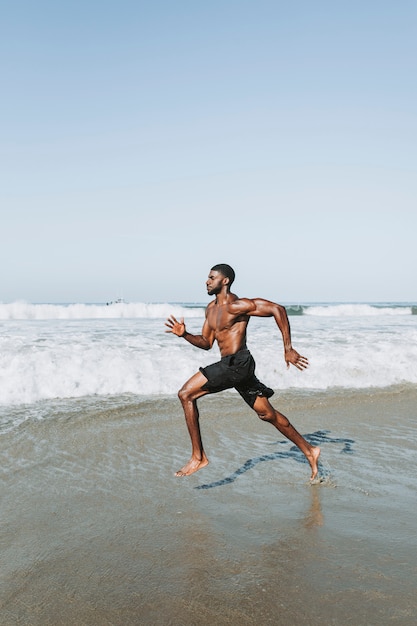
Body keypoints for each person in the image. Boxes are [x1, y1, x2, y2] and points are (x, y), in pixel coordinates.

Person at [165, 264, 320, 480]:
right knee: (267, 414)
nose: (207, 281)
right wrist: (184, 334)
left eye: (211, 277)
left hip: (238, 363)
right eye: (207, 278)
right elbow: (206, 342)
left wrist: (288, 348)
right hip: (233, 366)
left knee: (186, 394)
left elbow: (278, 309)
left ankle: (198, 457)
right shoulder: (210, 309)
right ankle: (310, 450)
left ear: (225, 281)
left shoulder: (239, 305)